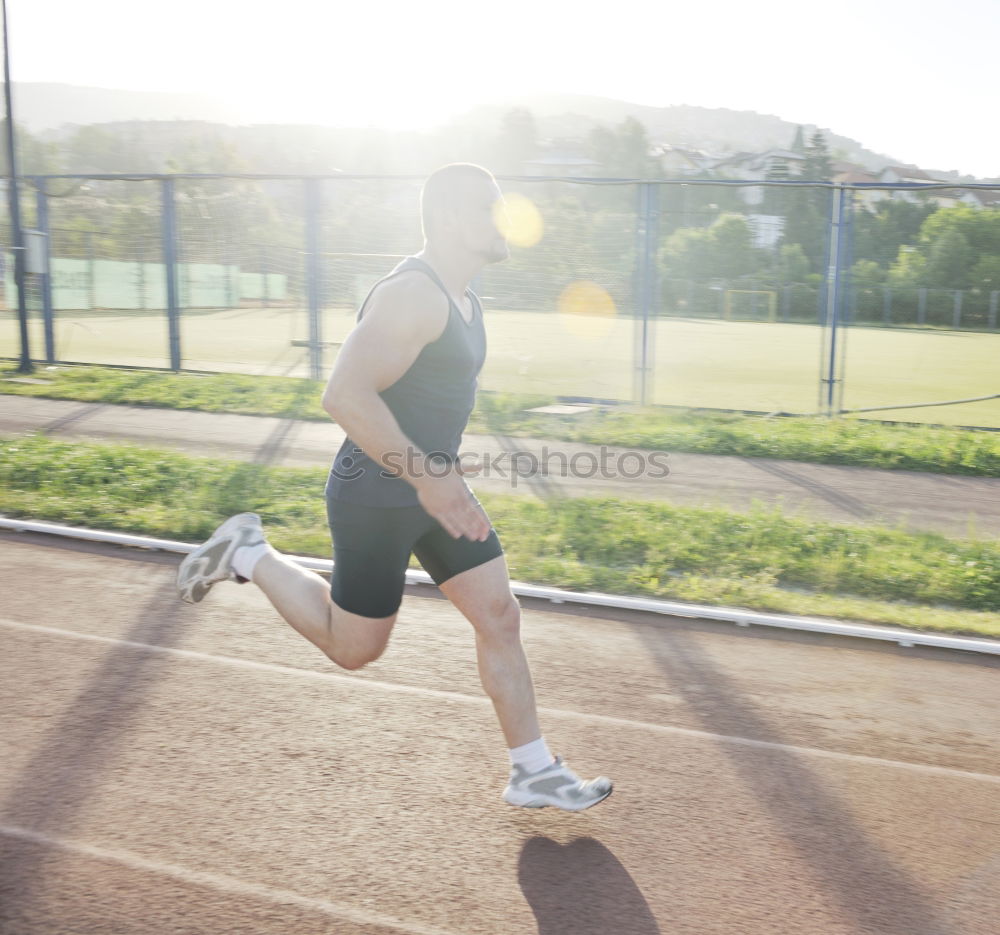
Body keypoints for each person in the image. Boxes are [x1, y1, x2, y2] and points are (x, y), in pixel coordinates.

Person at [176, 163, 611, 811]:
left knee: (500, 614)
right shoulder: (415, 294)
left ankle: (533, 770)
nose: (505, 220)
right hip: (378, 493)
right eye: (490, 208)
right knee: (355, 648)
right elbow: (343, 394)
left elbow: (421, 399)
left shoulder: (464, 300)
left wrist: (441, 472)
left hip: (432, 486)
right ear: (448, 221)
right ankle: (247, 551)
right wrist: (428, 476)